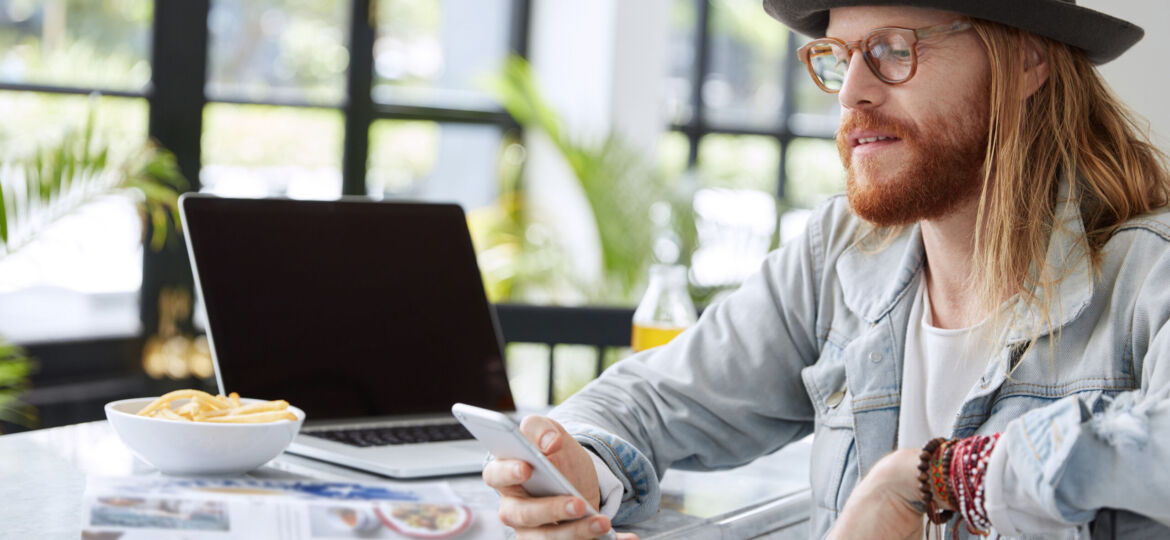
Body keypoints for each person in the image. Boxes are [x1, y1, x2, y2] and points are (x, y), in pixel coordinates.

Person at [483, 0, 1170, 538]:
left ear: (1025, 61)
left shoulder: (1149, 275)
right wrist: (579, 464)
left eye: (894, 50)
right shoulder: (842, 252)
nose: (851, 96)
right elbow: (649, 401)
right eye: (839, 58)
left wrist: (938, 478)